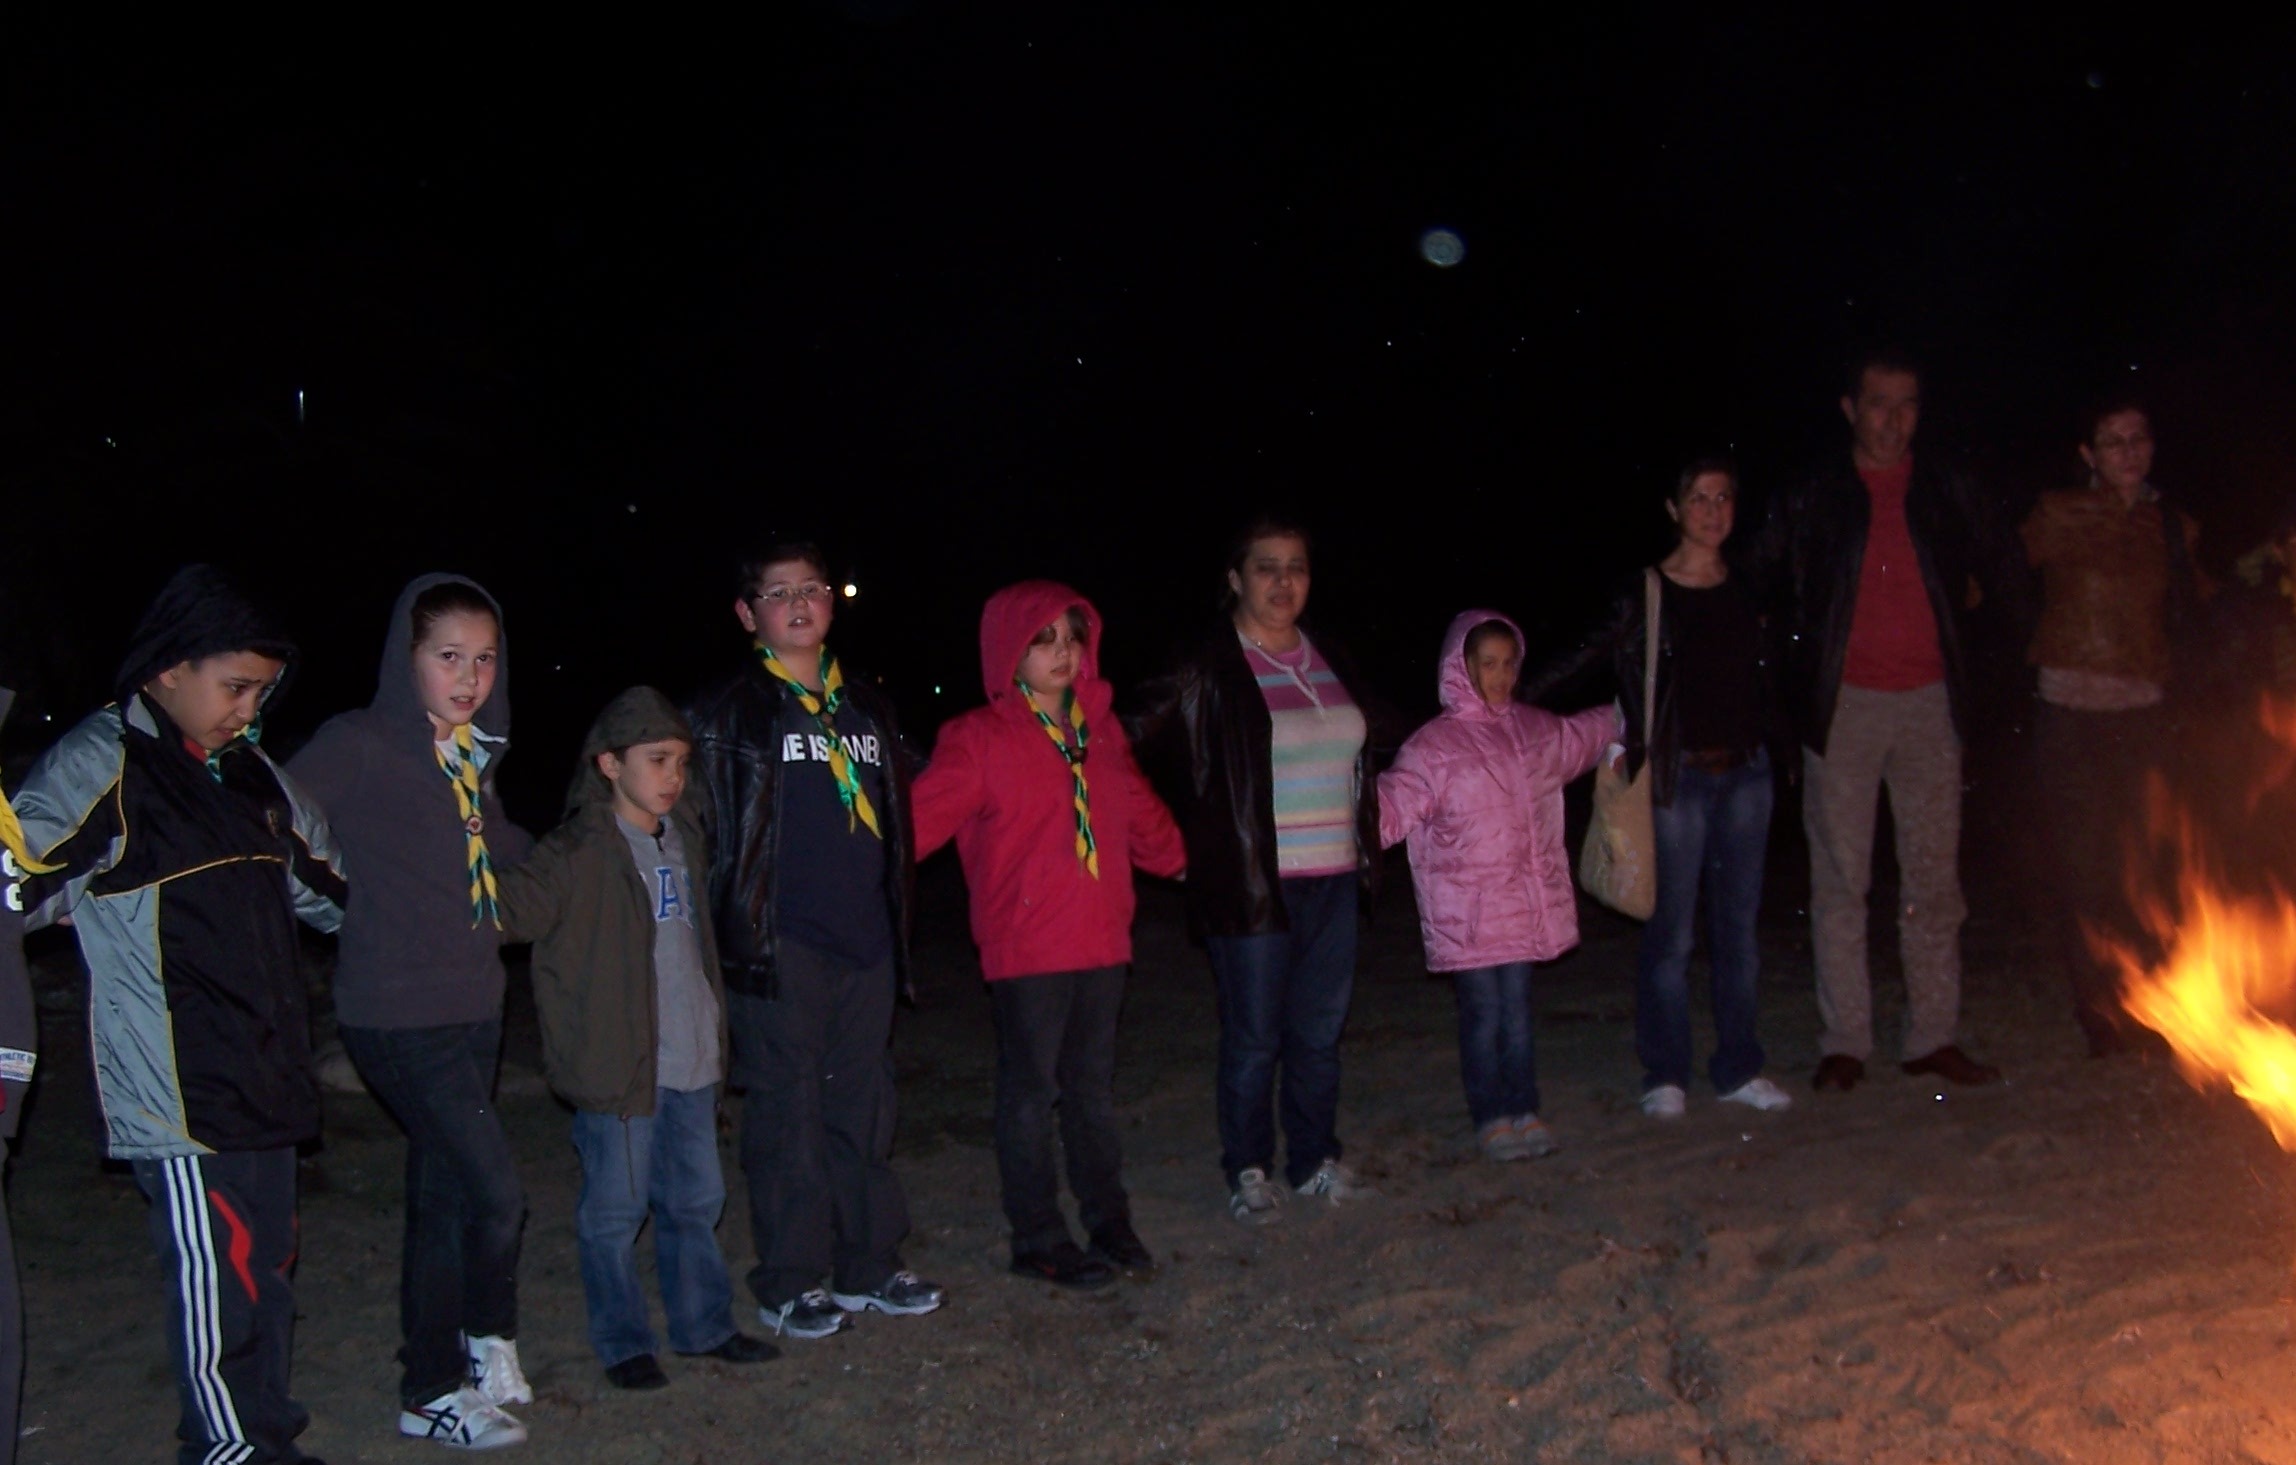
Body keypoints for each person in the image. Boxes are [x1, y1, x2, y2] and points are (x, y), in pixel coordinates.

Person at [11, 566, 348, 1465]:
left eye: (262, 691)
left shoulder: (251, 774)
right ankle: (226, 1447)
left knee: (268, 1265)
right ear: (168, 667)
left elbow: (333, 890)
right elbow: (20, 874)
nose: (249, 708)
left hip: (269, 1070)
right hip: (180, 1088)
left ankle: (262, 1432)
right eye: (235, 686)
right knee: (217, 1278)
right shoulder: (107, 761)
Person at [289, 576, 533, 1449]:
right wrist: (338, 904)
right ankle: (482, 1336)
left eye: (485, 658)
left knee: (444, 1193)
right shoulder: (359, 743)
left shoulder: (469, 756)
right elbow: (274, 816)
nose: (469, 677)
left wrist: (568, 854)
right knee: (496, 1192)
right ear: (408, 656)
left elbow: (496, 848)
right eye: (448, 656)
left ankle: (435, 1382)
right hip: (395, 1010)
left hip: (475, 1003)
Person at [685, 541, 944, 1340]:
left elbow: (921, 797)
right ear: (747, 613)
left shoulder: (865, 705)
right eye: (777, 593)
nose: (798, 604)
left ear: (832, 601)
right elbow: (690, 817)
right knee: (787, 1112)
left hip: (866, 936)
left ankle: (869, 1261)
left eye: (812, 589)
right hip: (778, 940)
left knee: (863, 1103)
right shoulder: (726, 712)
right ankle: (790, 1278)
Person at [495, 687, 779, 1388]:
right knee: (615, 1212)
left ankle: (703, 1326)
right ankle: (624, 1341)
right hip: (619, 1065)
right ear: (609, 763)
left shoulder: (684, 837)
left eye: (681, 760)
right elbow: (508, 913)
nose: (673, 775)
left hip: (693, 1057)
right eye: (656, 759)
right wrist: (473, 836)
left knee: (696, 1202)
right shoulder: (576, 851)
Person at [911, 583, 1186, 1287]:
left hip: (1101, 936)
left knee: (1091, 1090)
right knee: (1031, 1093)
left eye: (1071, 637)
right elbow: (917, 820)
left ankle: (1108, 1219)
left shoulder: (1099, 729)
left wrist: (1187, 862)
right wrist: (853, 864)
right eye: (1043, 639)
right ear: (1010, 651)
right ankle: (1037, 1235)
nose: (1062, 652)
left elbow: (1135, 808)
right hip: (1028, 944)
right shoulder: (980, 738)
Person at [1769, 349, 2021, 1092]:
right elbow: (1765, 585)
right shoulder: (1814, 493)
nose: (1893, 419)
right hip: (1843, 707)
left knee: (1933, 882)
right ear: (1850, 409)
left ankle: (1931, 1037)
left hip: (1929, 706)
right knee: (1841, 881)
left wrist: (1987, 669)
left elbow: (2005, 571)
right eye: (1878, 403)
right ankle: (1846, 1040)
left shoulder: (1946, 488)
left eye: (1907, 403)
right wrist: (1793, 684)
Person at [1530, 461, 1796, 1118]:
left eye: (1724, 496)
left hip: (1749, 775)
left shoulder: (1749, 586)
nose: (1713, 510)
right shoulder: (1645, 592)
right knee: (1671, 932)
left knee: (1738, 933)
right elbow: (1586, 653)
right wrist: (1507, 701)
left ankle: (1738, 1066)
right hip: (1680, 779)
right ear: (1674, 509)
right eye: (1698, 498)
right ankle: (1666, 1072)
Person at [1147, 518, 1380, 1225]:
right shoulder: (1207, 663)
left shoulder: (1328, 653)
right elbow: (1131, 741)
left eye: (1297, 567)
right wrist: (1182, 841)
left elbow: (1375, 742)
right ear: (1235, 579)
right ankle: (1247, 1167)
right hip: (1253, 882)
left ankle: (1313, 1160)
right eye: (1266, 567)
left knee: (1319, 1033)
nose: (1283, 581)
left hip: (1334, 877)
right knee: (1254, 1036)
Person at [1377, 611, 1619, 1159]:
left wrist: (1632, 711)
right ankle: (1490, 1116)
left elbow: (1586, 734)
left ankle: (1524, 1108)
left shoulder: (1535, 732)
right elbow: (1394, 802)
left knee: (1517, 1013)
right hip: (1468, 916)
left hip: (1524, 908)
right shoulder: (1434, 748)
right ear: (1461, 666)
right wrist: (1347, 814)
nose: (1501, 676)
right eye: (1488, 664)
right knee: (1484, 1014)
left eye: (1509, 663)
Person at [2021, 398, 2202, 1056]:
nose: (2128, 451)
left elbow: (2196, 608)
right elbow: (2000, 579)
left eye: (2137, 438)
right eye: (2112, 441)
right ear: (2088, 454)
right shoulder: (2058, 514)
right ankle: (2099, 1010)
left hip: (2143, 715)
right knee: (2084, 866)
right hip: (2070, 715)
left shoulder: (2174, 525)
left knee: (2144, 866)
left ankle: (2150, 1002)